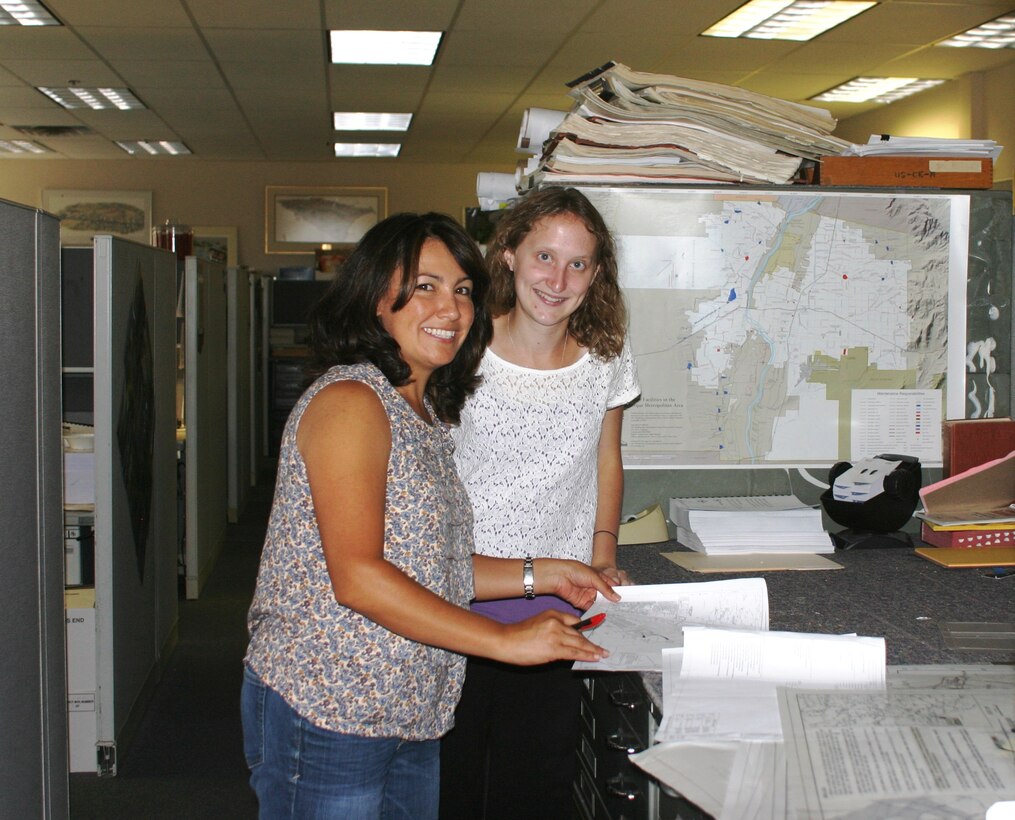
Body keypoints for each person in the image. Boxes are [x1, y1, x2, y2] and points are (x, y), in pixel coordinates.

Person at [240, 211, 620, 820]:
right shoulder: (351, 402)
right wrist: (503, 639)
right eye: (425, 286)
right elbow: (359, 576)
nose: (450, 308)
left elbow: (434, 565)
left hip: (412, 708)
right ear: (375, 300)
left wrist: (545, 574)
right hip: (332, 707)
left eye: (462, 291)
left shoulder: (426, 418)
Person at [440, 188, 641, 819]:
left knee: (537, 782)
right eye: (544, 257)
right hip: (459, 596)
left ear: (597, 273)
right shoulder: (459, 350)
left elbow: (606, 459)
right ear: (507, 255)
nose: (557, 279)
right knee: (454, 780)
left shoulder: (605, 359)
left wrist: (603, 553)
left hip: (560, 601)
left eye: (578, 263)